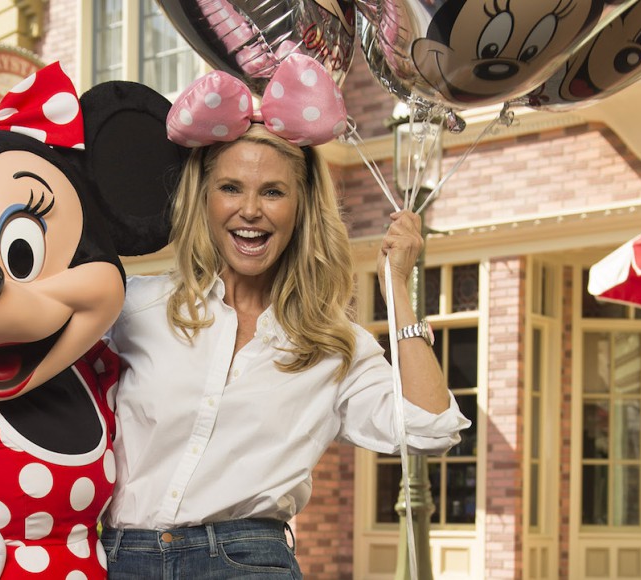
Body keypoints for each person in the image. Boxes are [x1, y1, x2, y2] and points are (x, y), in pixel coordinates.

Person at [99, 55, 471, 579]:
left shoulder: (334, 346)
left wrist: (399, 288)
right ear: (204, 198)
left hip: (247, 561)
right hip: (120, 560)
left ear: (301, 207)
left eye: (272, 192)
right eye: (231, 188)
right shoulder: (136, 308)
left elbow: (430, 429)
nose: (250, 210)